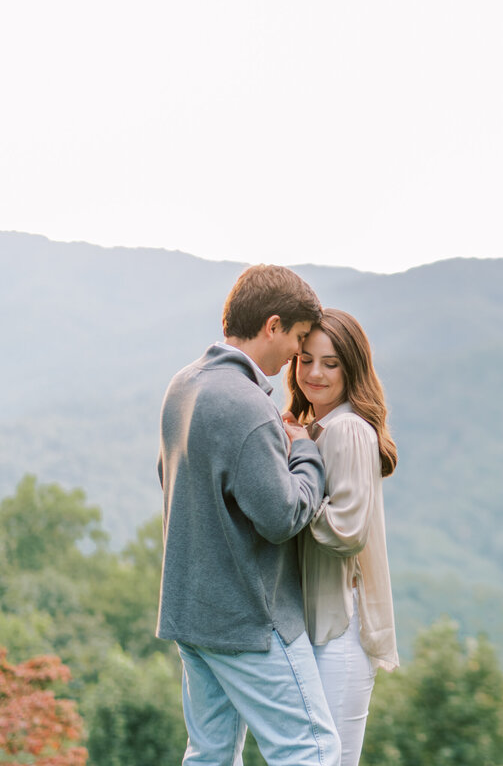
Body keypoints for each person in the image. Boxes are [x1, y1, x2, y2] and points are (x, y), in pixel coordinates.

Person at [157, 264, 342, 765]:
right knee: (313, 750)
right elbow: (282, 516)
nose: (294, 359)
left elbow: (175, 483)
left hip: (190, 613)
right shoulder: (247, 403)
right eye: (298, 339)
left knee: (210, 755)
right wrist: (305, 454)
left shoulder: (183, 385)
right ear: (273, 325)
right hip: (247, 619)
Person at [285, 308, 400, 766]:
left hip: (340, 627)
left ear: (352, 369)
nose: (315, 373)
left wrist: (290, 490)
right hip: (315, 624)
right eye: (305, 359)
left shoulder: (347, 429)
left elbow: (347, 529)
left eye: (330, 363)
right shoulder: (315, 426)